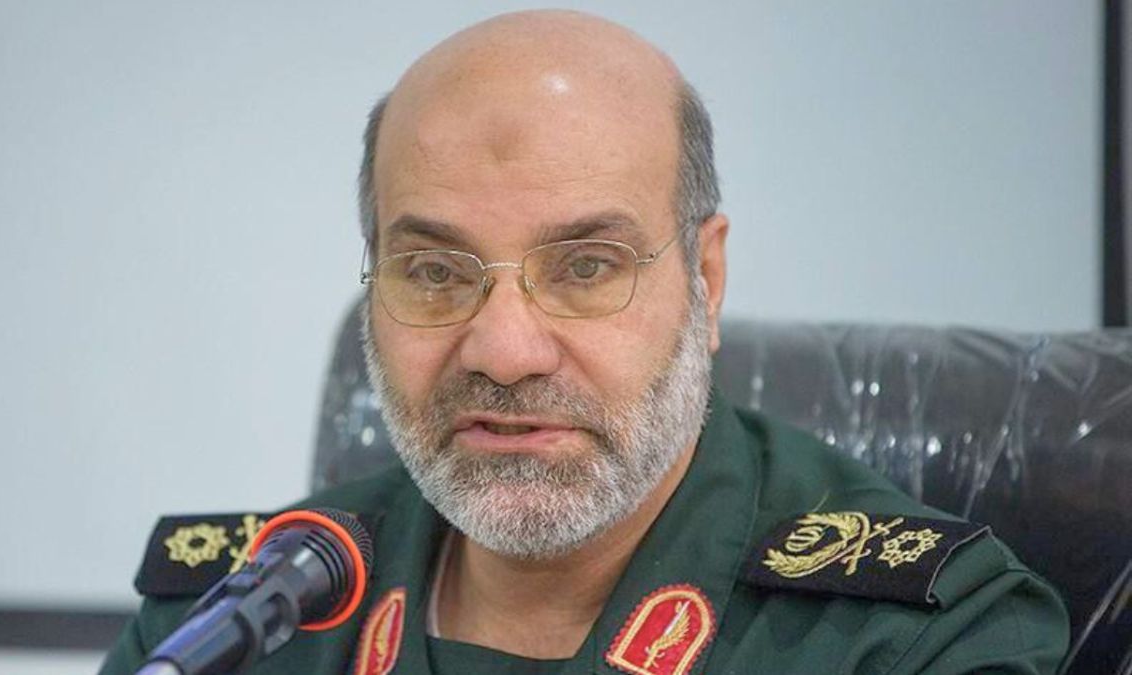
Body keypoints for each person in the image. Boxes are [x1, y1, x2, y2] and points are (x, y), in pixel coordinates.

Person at [101, 10, 1069, 674]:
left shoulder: (915, 640)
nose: (504, 350)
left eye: (586, 266)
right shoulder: (236, 623)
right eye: (434, 272)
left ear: (706, 278)